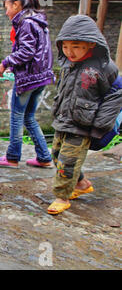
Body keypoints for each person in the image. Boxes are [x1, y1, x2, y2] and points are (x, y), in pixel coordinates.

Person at [47, 15, 121, 214]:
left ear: (90, 44)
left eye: (76, 46)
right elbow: (63, 91)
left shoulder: (104, 68)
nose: (70, 52)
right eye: (65, 46)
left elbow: (115, 96)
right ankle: (81, 184)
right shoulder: (68, 64)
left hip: (83, 125)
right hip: (64, 121)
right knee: (55, 155)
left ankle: (62, 197)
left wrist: (100, 124)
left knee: (67, 161)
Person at [0, 0, 54, 169]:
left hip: (29, 79)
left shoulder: (26, 23)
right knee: (29, 117)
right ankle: (44, 156)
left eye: (7, 7)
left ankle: (12, 157)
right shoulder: (39, 22)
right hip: (41, 77)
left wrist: (5, 63)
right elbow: (36, 52)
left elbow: (27, 52)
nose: (6, 12)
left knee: (17, 116)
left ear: (17, 5)